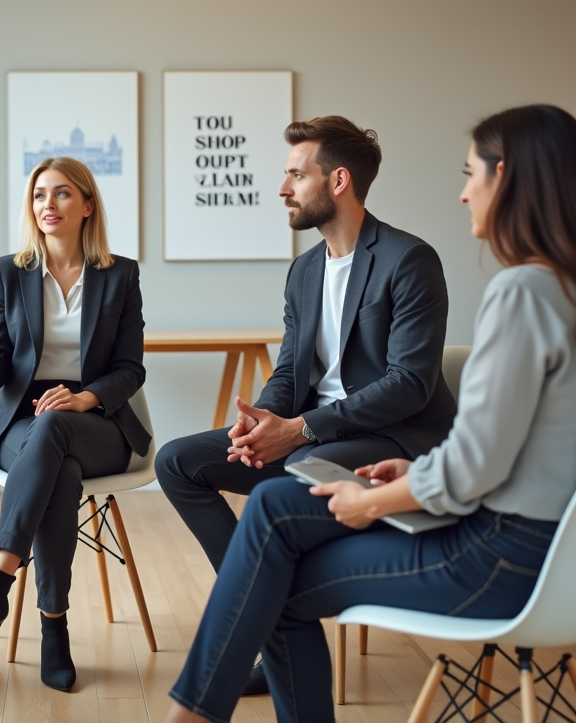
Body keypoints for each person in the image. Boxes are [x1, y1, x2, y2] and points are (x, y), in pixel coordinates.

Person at [163, 104, 576, 723]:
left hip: (502, 555)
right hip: (568, 558)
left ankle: (190, 713)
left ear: (510, 179)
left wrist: (373, 501)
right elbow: (513, 452)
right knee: (263, 531)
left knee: (272, 536)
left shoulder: (518, 291)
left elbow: (469, 464)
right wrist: (399, 477)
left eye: (472, 172)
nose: (462, 192)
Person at [155, 115, 457, 694]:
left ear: (338, 181)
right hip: (315, 431)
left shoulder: (409, 260)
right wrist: (261, 421)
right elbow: (292, 369)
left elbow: (409, 384)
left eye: (296, 174)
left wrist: (298, 431)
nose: (282, 189)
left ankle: (266, 633)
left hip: (397, 438)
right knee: (176, 461)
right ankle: (269, 615)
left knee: (286, 477)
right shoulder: (303, 271)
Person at [0, 156, 150, 691]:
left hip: (98, 419)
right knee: (61, 469)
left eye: (62, 194)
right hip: (22, 421)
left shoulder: (120, 274)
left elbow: (131, 368)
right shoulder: (9, 271)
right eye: (38, 195)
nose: (47, 205)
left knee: (58, 432)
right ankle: (55, 629)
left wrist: (85, 398)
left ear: (87, 205)